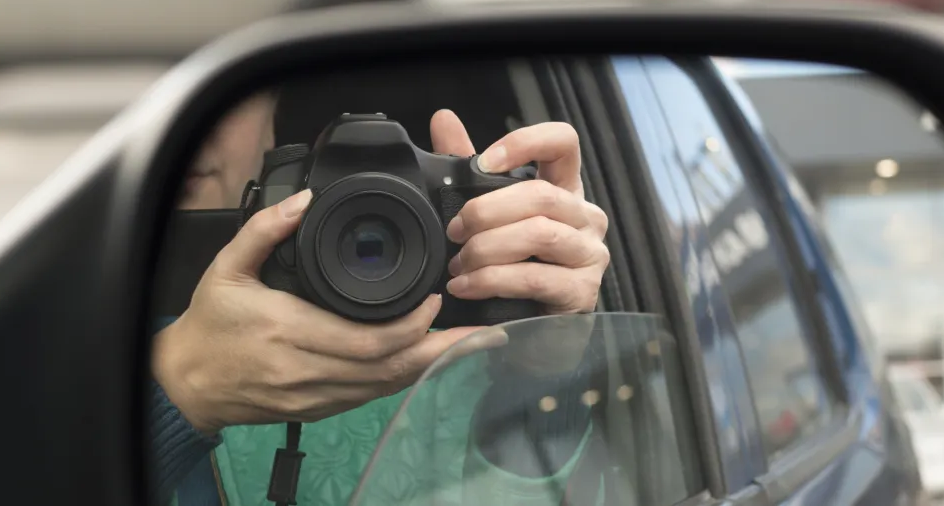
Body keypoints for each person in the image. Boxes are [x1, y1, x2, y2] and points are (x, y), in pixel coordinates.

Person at [149, 92, 611, 505]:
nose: (193, 117)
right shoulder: (81, 324)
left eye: (224, 90)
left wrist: (541, 372)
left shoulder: (465, 340)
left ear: (271, 114)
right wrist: (180, 387)